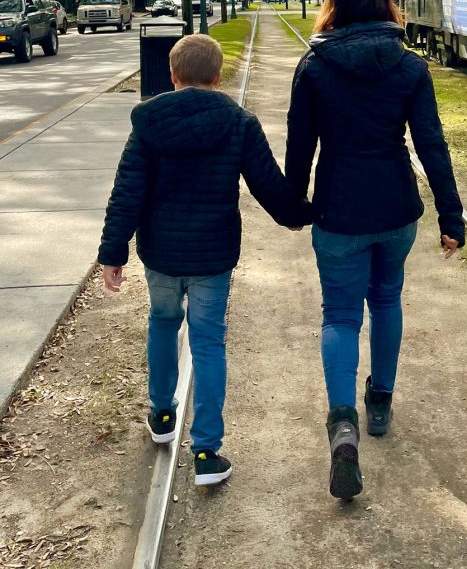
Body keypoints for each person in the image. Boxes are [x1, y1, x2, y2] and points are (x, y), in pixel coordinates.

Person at [285, 0, 466, 501]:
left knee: (340, 315)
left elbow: (300, 148)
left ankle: (343, 428)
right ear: (386, 3)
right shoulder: (410, 67)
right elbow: (432, 145)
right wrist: (451, 218)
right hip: (395, 210)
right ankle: (380, 402)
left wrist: (296, 205)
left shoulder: (313, 67)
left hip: (339, 210)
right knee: (386, 301)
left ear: (334, 5)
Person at [97, 33, 310, 487]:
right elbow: (267, 183)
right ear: (217, 76)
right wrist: (297, 216)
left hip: (161, 253)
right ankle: (208, 450)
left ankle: (160, 412)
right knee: (209, 343)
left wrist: (113, 253)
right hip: (214, 254)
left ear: (171, 75)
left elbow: (127, 192)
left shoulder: (148, 123)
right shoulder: (238, 122)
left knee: (162, 321)